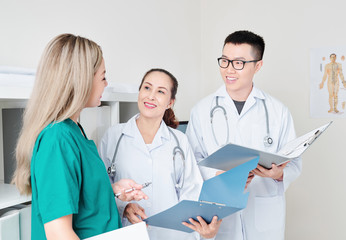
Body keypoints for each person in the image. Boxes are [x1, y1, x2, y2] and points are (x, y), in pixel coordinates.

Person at [12, 33, 147, 240]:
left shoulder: (74, 131)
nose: (106, 83)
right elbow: (59, 234)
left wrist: (111, 190)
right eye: (102, 77)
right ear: (81, 80)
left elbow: (78, 196)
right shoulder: (58, 139)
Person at [186, 30, 302, 240]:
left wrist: (278, 174)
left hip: (264, 218)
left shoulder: (278, 111)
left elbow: (294, 163)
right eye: (225, 61)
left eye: (239, 63)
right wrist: (217, 176)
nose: (229, 70)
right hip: (220, 217)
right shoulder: (201, 110)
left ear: (258, 66)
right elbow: (191, 164)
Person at [98, 68, 222, 240]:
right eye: (147, 88)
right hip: (131, 233)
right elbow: (101, 189)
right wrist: (123, 207)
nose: (151, 96)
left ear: (170, 102)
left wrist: (206, 232)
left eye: (160, 92)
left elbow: (192, 195)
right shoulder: (113, 137)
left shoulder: (180, 141)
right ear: (139, 92)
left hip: (173, 235)